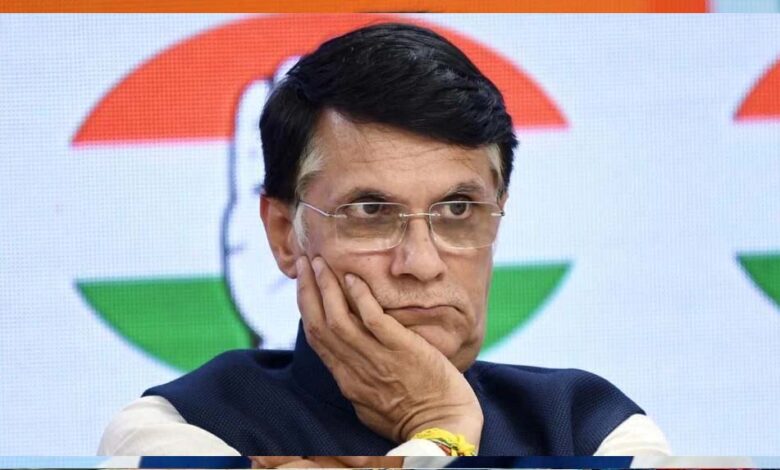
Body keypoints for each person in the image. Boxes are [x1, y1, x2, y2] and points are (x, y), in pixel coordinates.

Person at [99, 22, 670, 461]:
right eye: (371, 212)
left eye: (458, 209)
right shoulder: (178, 428)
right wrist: (443, 429)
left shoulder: (589, 427)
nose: (421, 262)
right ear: (284, 234)